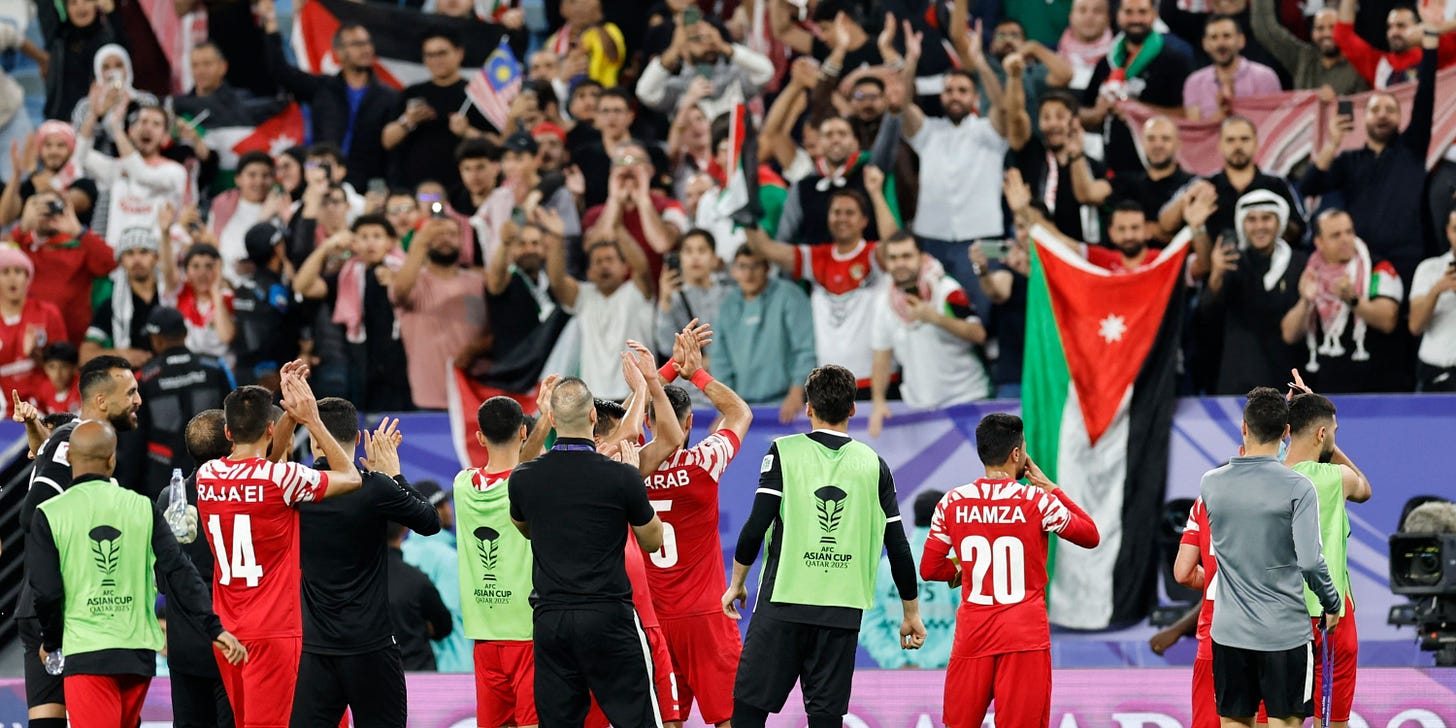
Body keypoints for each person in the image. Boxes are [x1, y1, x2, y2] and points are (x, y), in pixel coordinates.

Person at [724, 364, 926, 727]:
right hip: (841, 611)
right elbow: (897, 546)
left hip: (783, 604)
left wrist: (737, 583)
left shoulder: (783, 452)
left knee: (748, 713)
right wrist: (910, 613)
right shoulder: (874, 465)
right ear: (852, 409)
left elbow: (757, 525)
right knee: (825, 719)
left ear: (808, 408)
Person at [27, 419, 247, 727]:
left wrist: (51, 643)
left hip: (87, 652)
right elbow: (181, 570)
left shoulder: (50, 513)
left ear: (71, 458)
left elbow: (46, 591)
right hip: (137, 655)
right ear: (112, 459)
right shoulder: (143, 507)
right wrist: (215, 628)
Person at [195, 376, 363, 728]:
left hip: (226, 631)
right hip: (272, 632)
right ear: (269, 429)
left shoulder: (206, 476)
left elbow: (259, 465)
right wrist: (310, 420)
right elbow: (350, 477)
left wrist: (286, 417)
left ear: (227, 432)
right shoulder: (284, 479)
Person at [924, 413, 1101, 728]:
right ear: (1017, 454)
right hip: (1024, 637)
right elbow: (1089, 535)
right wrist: (1052, 489)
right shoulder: (1037, 501)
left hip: (973, 636)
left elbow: (929, 568)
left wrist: (965, 570)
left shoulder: (951, 502)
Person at [508, 376, 665, 725]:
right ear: (593, 416)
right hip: (607, 616)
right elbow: (653, 541)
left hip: (551, 620)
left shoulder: (523, 478)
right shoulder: (621, 477)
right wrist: (635, 482)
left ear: (550, 417)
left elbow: (525, 529)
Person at [1198, 387, 1342, 728]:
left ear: (1244, 428)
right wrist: (1332, 603)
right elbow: (1309, 561)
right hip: (1286, 637)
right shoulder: (1298, 487)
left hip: (1229, 634)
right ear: (1286, 432)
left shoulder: (1211, 484)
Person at [293, 404, 441, 726]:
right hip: (371, 648)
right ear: (359, 437)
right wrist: (395, 475)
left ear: (315, 439)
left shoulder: (297, 490)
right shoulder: (374, 488)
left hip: (314, 649)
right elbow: (430, 521)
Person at [17, 355, 141, 728]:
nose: (138, 400)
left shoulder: (72, 437)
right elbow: (33, 512)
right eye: (131, 392)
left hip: (54, 602)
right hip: (61, 606)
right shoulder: (71, 440)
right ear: (101, 400)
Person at [642, 330, 753, 728]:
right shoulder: (704, 462)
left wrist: (663, 373)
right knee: (729, 719)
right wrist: (696, 373)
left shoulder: (627, 468)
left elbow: (622, 418)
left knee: (667, 722)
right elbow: (740, 413)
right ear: (689, 423)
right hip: (706, 615)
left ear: (647, 422)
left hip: (652, 618)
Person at [897, 19, 1031, 285]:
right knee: (935, 311)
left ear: (974, 98)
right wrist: (911, 60)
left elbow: (1003, 108)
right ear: (941, 96)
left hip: (984, 238)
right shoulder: (928, 133)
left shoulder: (989, 132)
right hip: (932, 240)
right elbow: (901, 102)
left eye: (963, 91)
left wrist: (980, 62)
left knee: (984, 310)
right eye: (949, 91)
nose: (955, 96)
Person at [1301, 24, 1437, 281]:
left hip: (1409, 260)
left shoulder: (1412, 148)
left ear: (1400, 118)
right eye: (1375, 110)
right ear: (1364, 119)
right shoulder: (1348, 161)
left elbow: (1426, 94)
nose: (1382, 115)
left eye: (1390, 110)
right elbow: (1309, 186)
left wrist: (1430, 42)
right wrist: (1332, 144)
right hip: (1361, 261)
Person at [745, 184, 895, 388]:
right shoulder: (816, 258)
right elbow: (764, 249)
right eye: (836, 212)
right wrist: (746, 215)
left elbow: (894, 242)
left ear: (864, 221)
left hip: (876, 379)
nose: (842, 218)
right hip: (829, 383)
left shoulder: (874, 256)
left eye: (849, 213)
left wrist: (877, 193)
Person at [1285, 387, 1372, 728]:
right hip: (1330, 614)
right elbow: (1365, 486)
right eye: (1333, 432)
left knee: (1274, 718)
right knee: (1333, 721)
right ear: (1323, 434)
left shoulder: (1269, 476)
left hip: (1278, 613)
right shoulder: (1337, 478)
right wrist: (1332, 449)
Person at [455, 396, 537, 728]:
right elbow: (524, 469)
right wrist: (542, 418)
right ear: (522, 432)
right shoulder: (527, 486)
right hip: (527, 630)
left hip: (484, 633)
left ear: (479, 437)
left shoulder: (462, 485)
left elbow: (519, 469)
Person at [259, 0, 399, 187]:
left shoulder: (389, 97)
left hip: (368, 186)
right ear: (339, 52)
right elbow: (281, 72)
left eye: (367, 43)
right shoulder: (323, 88)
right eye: (357, 44)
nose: (365, 49)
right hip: (322, 180)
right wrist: (271, 26)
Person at [869, 231, 990, 437]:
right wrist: (878, 401)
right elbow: (882, 355)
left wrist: (934, 317)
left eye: (907, 256)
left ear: (921, 257)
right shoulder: (885, 301)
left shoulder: (945, 289)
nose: (900, 264)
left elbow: (978, 333)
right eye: (893, 258)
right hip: (921, 409)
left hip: (967, 401)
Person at [160, 410, 237, 728]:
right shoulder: (241, 494)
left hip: (185, 644)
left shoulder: (168, 497)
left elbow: (164, 580)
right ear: (231, 443)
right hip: (232, 638)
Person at [1192, 190, 1310, 395]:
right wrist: (1216, 274)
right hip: (1238, 380)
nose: (1259, 226)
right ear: (1242, 224)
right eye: (1252, 220)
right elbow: (1207, 315)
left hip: (1288, 379)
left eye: (1267, 218)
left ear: (1279, 221)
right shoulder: (1232, 262)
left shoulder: (1300, 264)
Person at [1291, 209, 1406, 393]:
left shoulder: (1377, 268)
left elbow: (1388, 319)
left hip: (1377, 384)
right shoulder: (1309, 274)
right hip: (1325, 386)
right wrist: (1306, 301)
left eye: (1349, 232)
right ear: (1319, 243)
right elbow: (1289, 334)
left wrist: (1353, 299)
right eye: (1336, 235)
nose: (1345, 239)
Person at [1079, 0, 1193, 177]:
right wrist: (1098, 112)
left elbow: (1187, 116)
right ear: (1118, 16)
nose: (1135, 19)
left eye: (1142, 12)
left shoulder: (1175, 60)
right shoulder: (1108, 62)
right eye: (1129, 12)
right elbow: (1082, 114)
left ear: (1154, 15)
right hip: (1113, 166)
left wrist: (1136, 109)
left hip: (1158, 171)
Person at [545, 228, 655, 401]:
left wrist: (618, 231)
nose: (604, 265)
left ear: (625, 267)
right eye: (598, 261)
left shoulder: (635, 293)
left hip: (635, 395)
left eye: (610, 259)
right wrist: (558, 239)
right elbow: (557, 283)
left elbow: (642, 269)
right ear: (589, 272)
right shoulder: (584, 296)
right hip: (593, 397)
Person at [390, 216, 489, 409]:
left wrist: (475, 349)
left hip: (474, 396)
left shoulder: (478, 283)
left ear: (462, 240)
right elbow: (399, 292)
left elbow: (488, 331)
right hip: (428, 399)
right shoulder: (414, 282)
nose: (445, 238)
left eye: (451, 234)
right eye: (437, 234)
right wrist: (420, 242)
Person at [135, 307, 235, 497]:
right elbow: (236, 416)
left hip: (163, 478)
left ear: (156, 339)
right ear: (186, 332)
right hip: (216, 474)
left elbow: (135, 438)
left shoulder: (145, 377)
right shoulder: (215, 366)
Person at [712, 245, 816, 423]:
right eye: (742, 267)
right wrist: (725, 405)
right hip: (740, 408)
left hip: (787, 404)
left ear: (767, 267)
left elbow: (806, 347)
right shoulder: (727, 306)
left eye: (755, 266)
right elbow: (720, 359)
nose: (748, 274)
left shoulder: (790, 296)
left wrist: (797, 391)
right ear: (734, 271)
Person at [860, 489, 959, 670]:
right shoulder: (957, 565)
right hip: (945, 673)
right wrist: (929, 662)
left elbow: (869, 623)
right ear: (946, 519)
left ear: (914, 520)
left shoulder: (885, 566)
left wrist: (897, 662)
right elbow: (967, 622)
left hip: (896, 680)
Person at [382, 32, 490, 190]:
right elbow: (387, 140)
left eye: (442, 53)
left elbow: (496, 145)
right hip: (413, 189)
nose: (436, 60)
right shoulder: (412, 93)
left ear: (459, 53)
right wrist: (407, 121)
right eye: (430, 55)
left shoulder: (476, 95)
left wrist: (467, 131)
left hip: (461, 191)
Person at [73, 97, 188, 245]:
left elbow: (142, 174)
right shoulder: (115, 168)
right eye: (142, 122)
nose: (147, 128)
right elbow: (80, 157)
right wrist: (93, 115)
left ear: (165, 138)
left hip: (157, 260)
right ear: (131, 131)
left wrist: (116, 129)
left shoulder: (175, 172)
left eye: (156, 124)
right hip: (118, 259)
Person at [10, 190, 114, 344]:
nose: (47, 212)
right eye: (39, 206)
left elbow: (110, 264)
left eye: (53, 206)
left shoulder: (80, 245)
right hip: (24, 341)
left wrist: (78, 231)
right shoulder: (20, 246)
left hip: (71, 343)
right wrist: (22, 228)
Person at [82, 227, 168, 368]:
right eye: (129, 253)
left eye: (144, 252)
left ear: (156, 257)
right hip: (133, 381)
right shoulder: (112, 305)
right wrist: (120, 355)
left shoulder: (170, 298)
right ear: (121, 260)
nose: (137, 259)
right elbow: (85, 355)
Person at [1249, 0, 1367, 94]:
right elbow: (1266, 30)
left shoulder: (1358, 65)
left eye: (1333, 27)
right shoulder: (1302, 57)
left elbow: (1363, 108)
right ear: (1312, 33)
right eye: (1320, 28)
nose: (1326, 33)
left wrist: (1334, 102)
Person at [0, 246, 66, 410]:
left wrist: (38, 354)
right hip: (3, 405)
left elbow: (66, 366)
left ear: (28, 277)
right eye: (5, 272)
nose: (12, 279)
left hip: (43, 403)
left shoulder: (47, 313)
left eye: (18, 271)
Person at [1182, 14, 1283, 122]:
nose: (1220, 44)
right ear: (1205, 44)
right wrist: (1222, 112)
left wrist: (1233, 107)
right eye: (1214, 37)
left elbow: (1272, 125)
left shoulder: (1265, 77)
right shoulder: (1194, 82)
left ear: (1241, 40)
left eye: (1227, 36)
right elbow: (1197, 132)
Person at [386, 521, 456, 671]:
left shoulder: (356, 581)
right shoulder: (418, 580)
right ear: (404, 529)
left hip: (373, 674)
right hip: (419, 672)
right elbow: (443, 625)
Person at [1410, 210, 1456, 391]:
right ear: (1448, 232)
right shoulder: (1429, 269)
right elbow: (1415, 326)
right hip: (1436, 371)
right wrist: (1437, 289)